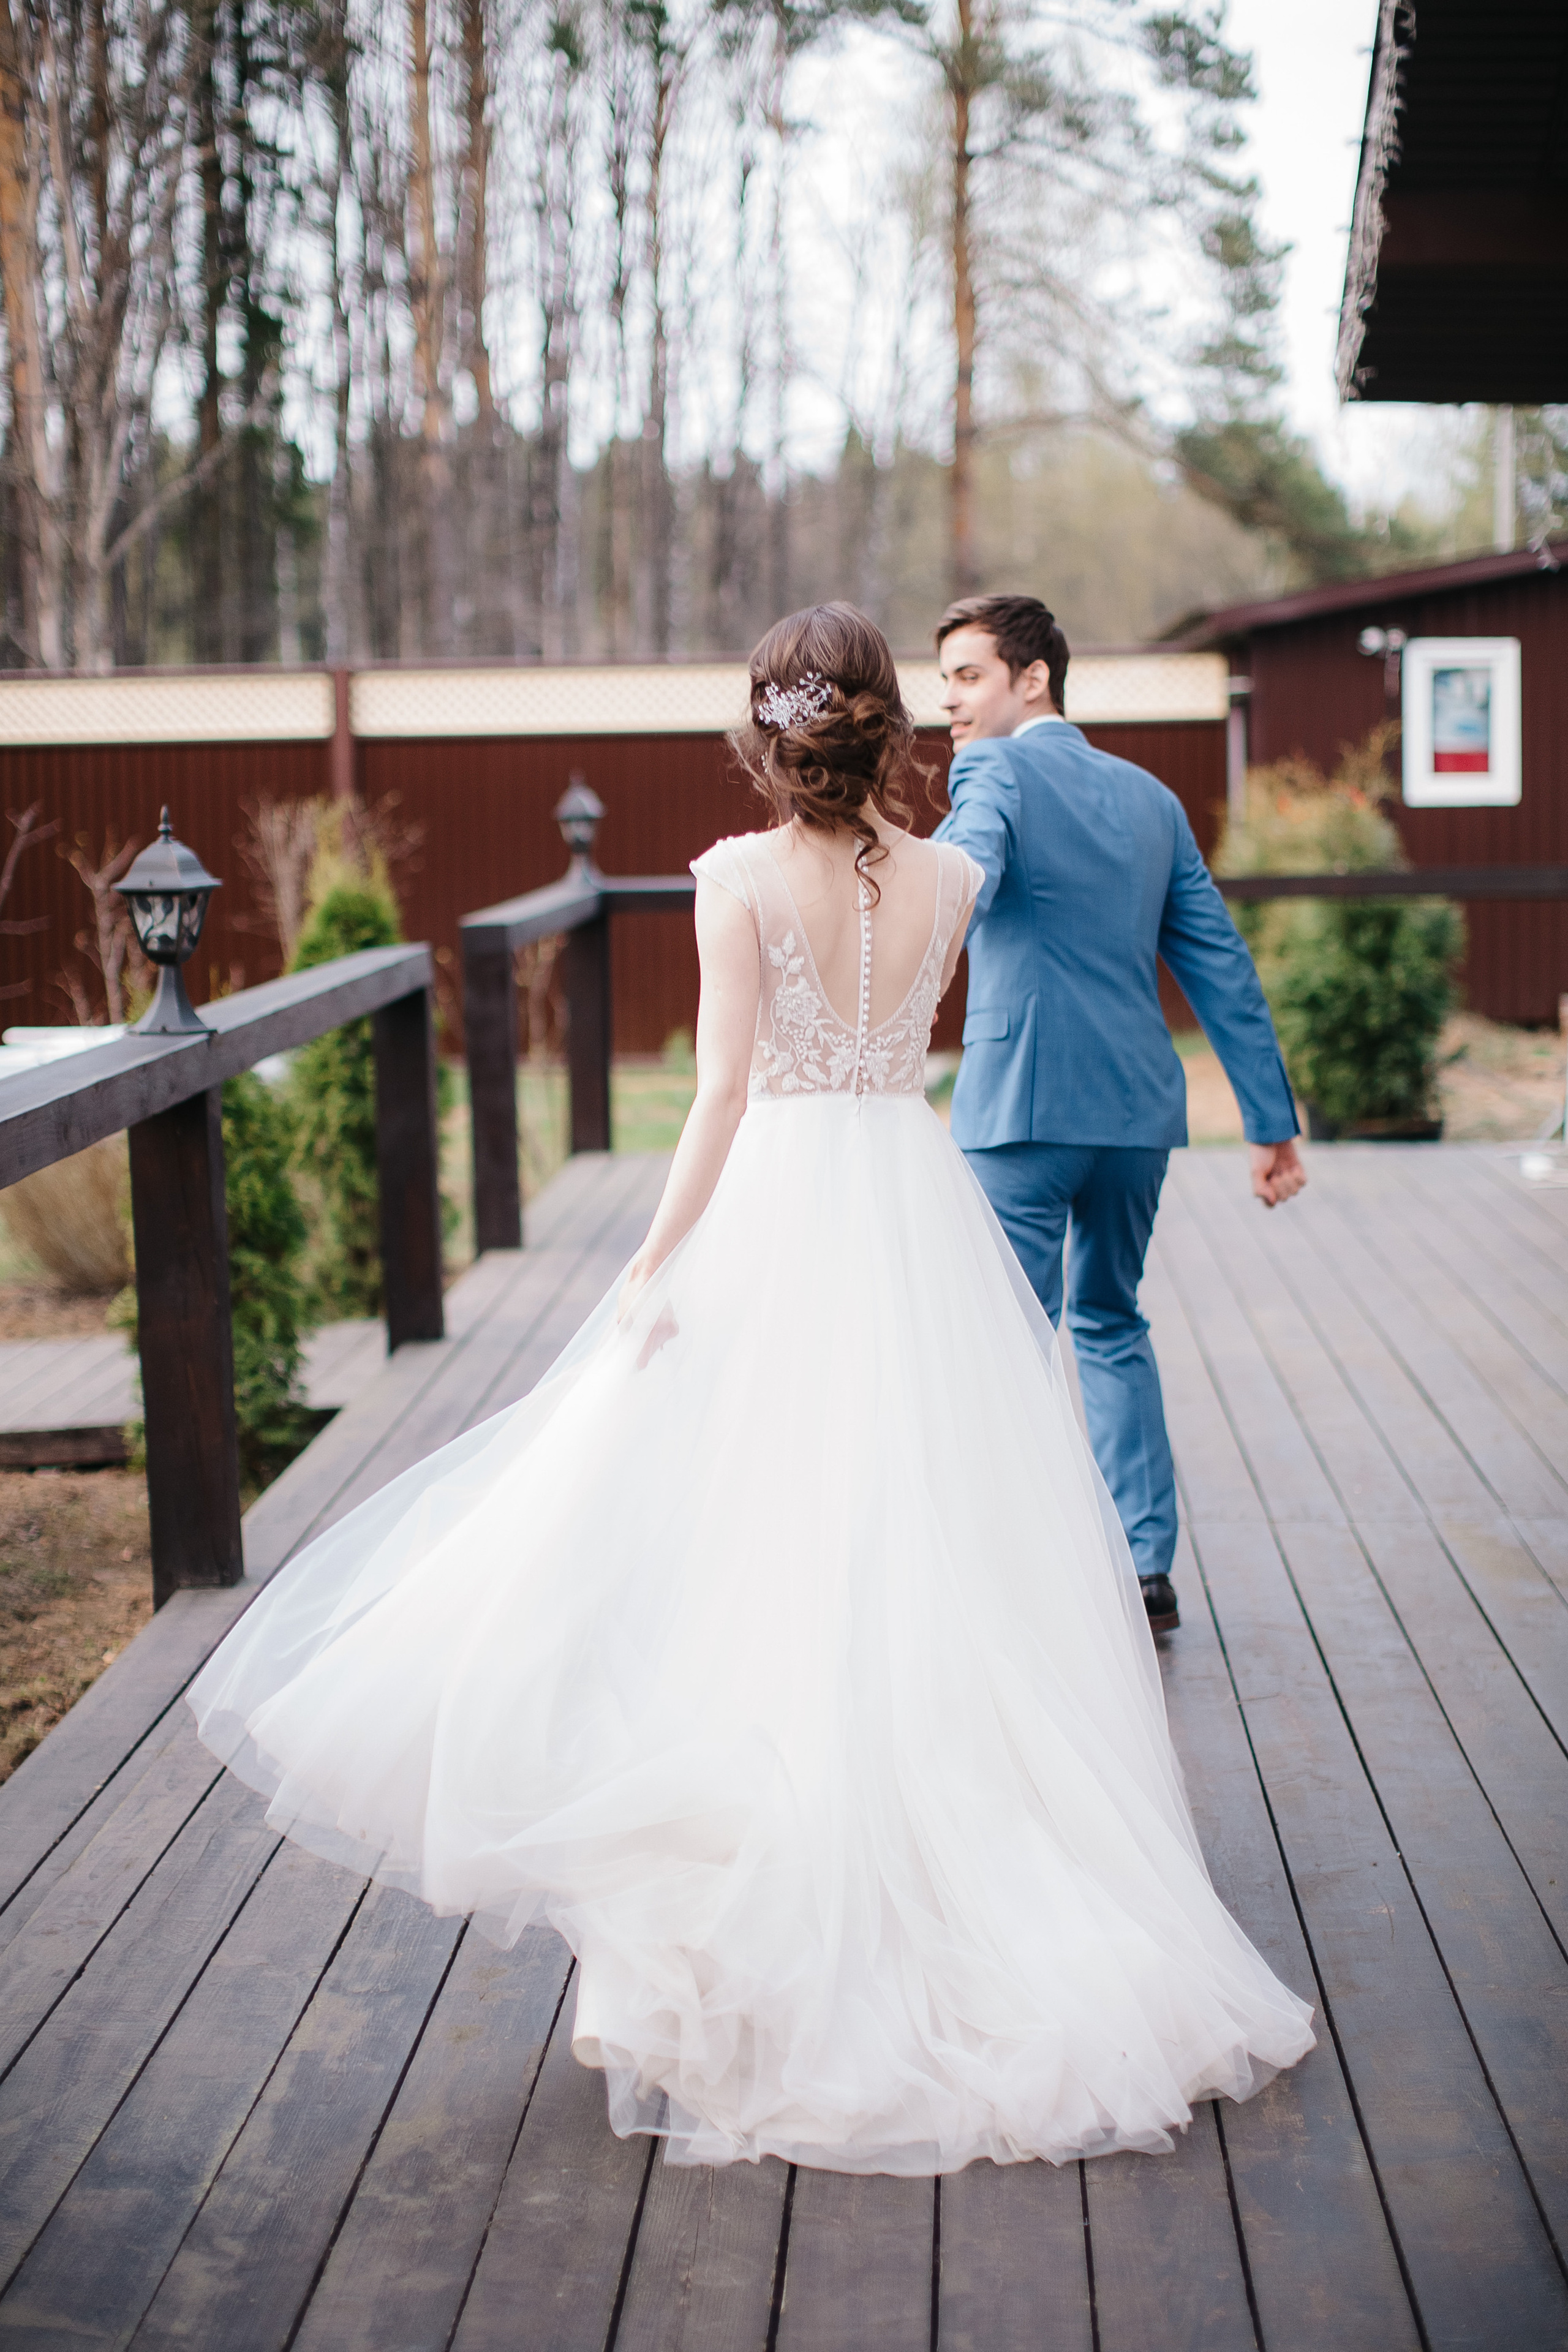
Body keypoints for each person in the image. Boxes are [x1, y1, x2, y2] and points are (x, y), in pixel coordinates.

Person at [188, 603, 1313, 2177]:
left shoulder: (731, 878)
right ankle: (929, 1843)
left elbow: (719, 1093)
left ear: (773, 736)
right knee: (925, 1531)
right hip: (910, 1208)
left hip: (781, 1209)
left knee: (743, 1533)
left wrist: (653, 1263)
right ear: (884, 729)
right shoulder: (950, 877)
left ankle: (776, 1877)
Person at [934, 594, 1306, 1634]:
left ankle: (1009, 1566)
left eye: (967, 676)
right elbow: (1220, 964)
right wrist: (1271, 1121)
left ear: (1033, 678)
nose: (950, 702)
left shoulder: (992, 773)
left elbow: (960, 882)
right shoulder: (1153, 800)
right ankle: (1146, 1566)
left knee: (1006, 1336)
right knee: (1109, 1321)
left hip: (1021, 1112)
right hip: (1136, 1117)